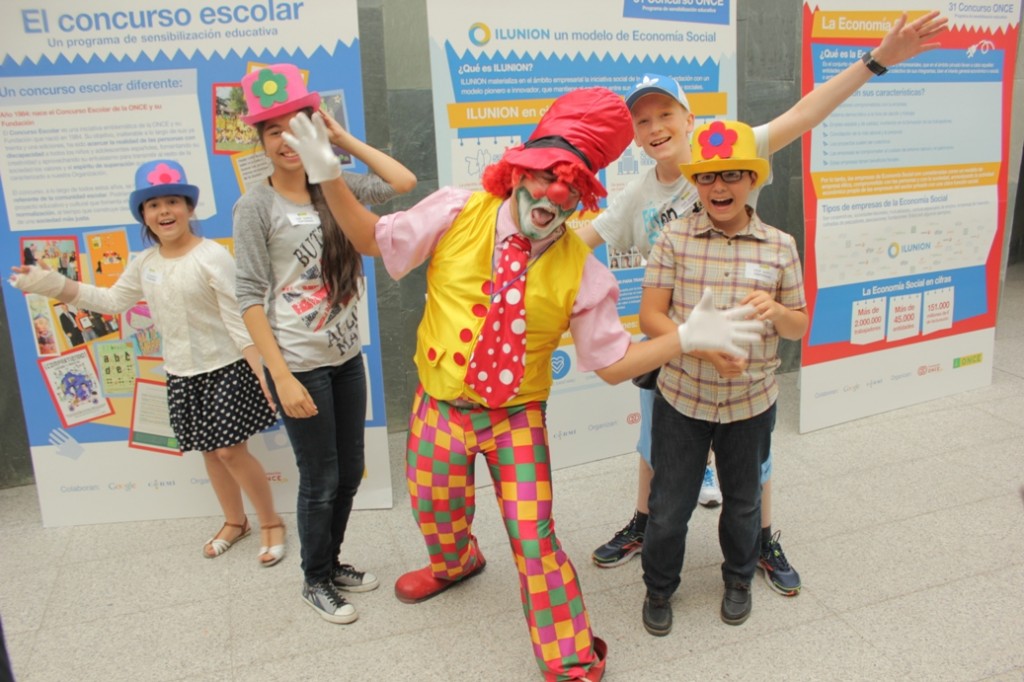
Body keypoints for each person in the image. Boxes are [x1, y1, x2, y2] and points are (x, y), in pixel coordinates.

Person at [280, 88, 761, 680]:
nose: (550, 197)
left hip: (515, 420)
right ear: (516, 174)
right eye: (543, 177)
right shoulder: (457, 210)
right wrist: (329, 174)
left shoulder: (582, 271)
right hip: (438, 405)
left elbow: (613, 365)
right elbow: (370, 240)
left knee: (535, 540)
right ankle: (455, 561)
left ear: (582, 195)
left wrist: (686, 337)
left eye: (570, 185)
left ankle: (571, 656)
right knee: (433, 505)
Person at [580, 10, 949, 596]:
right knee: (654, 448)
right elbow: (584, 241)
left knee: (752, 463)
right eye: (642, 120)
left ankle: (763, 537)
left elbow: (806, 113)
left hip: (745, 361)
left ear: (689, 119)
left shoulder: (726, 148)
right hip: (674, 354)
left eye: (665, 114)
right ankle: (645, 525)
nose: (654, 126)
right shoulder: (638, 193)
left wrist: (876, 61)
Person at [10, 159, 285, 566]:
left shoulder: (213, 257)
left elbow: (239, 318)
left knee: (229, 451)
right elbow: (110, 302)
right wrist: (53, 284)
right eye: (153, 205)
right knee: (210, 453)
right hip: (181, 374)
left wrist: (265, 372)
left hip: (227, 368)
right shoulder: (145, 263)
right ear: (144, 215)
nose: (164, 212)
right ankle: (234, 521)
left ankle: (270, 523)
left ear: (190, 209)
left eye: (173, 201)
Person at [231, 63, 417, 625]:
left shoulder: (336, 185)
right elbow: (247, 296)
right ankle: (315, 579)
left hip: (344, 358)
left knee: (351, 467)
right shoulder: (254, 207)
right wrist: (279, 375)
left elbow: (402, 182)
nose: (288, 141)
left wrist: (337, 140)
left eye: (299, 127)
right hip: (300, 364)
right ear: (261, 142)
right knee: (321, 477)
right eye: (274, 131)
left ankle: (330, 562)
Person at [639, 119, 809, 635]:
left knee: (743, 502)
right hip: (683, 397)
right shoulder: (674, 238)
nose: (719, 188)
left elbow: (800, 325)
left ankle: (739, 579)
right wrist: (704, 348)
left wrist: (777, 313)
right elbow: (650, 318)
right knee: (669, 505)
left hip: (751, 402)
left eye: (733, 176)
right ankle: (659, 588)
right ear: (696, 183)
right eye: (709, 177)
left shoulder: (780, 245)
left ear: (751, 181)